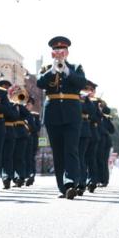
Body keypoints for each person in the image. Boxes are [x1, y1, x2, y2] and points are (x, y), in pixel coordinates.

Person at [36, 36, 86, 199]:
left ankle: (70, 183)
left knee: (71, 149)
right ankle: (62, 187)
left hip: (72, 113)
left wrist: (65, 70)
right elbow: (40, 84)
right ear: (52, 53)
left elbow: (81, 83)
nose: (59, 53)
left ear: (67, 52)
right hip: (53, 114)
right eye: (56, 50)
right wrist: (53, 70)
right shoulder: (45, 69)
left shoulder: (76, 67)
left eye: (62, 50)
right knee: (58, 151)